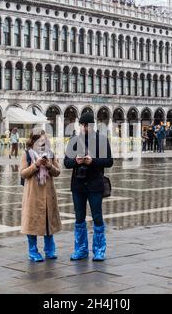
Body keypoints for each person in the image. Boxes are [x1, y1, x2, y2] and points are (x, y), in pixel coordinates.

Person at [64, 112, 113, 262]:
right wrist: (77, 161)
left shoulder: (102, 140)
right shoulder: (74, 140)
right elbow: (66, 162)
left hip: (95, 184)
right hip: (78, 185)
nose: (84, 128)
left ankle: (99, 250)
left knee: (97, 216)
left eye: (87, 125)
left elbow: (109, 161)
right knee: (79, 217)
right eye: (82, 125)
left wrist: (93, 161)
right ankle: (81, 249)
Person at [20, 131, 61, 262]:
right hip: (33, 195)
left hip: (48, 195)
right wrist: (36, 165)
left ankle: (50, 250)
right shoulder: (27, 154)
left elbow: (57, 172)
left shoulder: (51, 154)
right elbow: (23, 173)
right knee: (32, 223)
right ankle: (33, 251)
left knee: (48, 221)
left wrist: (49, 165)